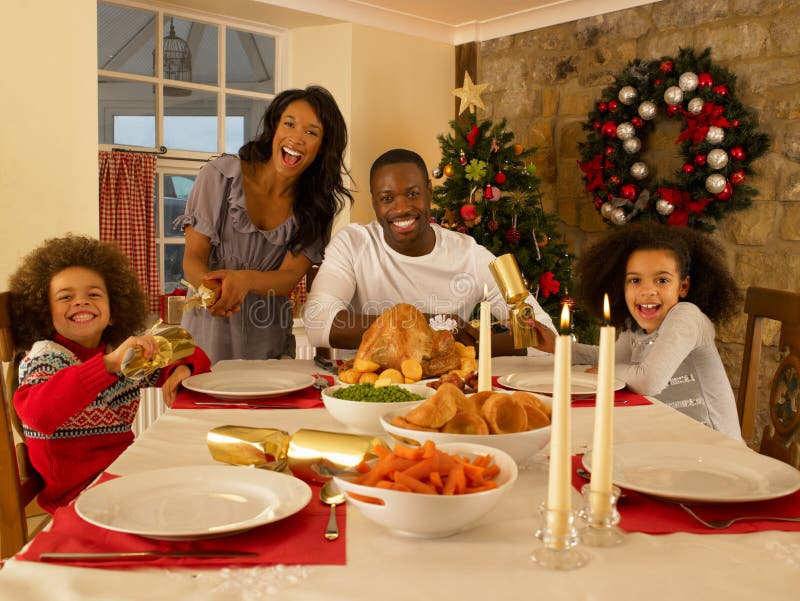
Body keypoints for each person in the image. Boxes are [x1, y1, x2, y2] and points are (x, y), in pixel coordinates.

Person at [8, 235, 212, 513]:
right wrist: (106, 366)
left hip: (122, 475)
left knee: (205, 477)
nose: (81, 302)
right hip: (79, 498)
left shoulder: (118, 352)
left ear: (113, 311)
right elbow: (38, 415)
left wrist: (182, 368)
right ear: (45, 313)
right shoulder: (45, 358)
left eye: (93, 294)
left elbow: (189, 351)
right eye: (66, 297)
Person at [303, 148, 556, 354]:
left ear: (429, 192)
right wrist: (430, 325)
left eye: (413, 194)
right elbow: (317, 323)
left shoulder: (471, 254)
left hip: (448, 388)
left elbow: (543, 333)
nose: (401, 208)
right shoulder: (352, 243)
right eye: (387, 198)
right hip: (368, 393)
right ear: (374, 202)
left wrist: (474, 346)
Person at [175, 85, 353, 364]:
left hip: (266, 334)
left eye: (311, 132)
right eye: (289, 123)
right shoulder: (219, 177)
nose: (296, 138)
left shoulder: (317, 207)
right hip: (206, 331)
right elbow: (193, 257)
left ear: (322, 147)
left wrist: (244, 280)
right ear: (274, 126)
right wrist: (212, 292)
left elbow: (289, 277)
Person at [569, 222, 743, 440]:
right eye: (635, 280)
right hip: (670, 441)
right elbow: (612, 361)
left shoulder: (686, 316)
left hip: (717, 450)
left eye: (662, 280)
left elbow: (648, 381)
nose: (647, 291)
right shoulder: (635, 325)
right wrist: (560, 348)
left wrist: (603, 370)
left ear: (683, 286)